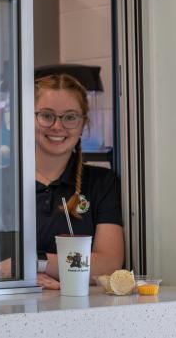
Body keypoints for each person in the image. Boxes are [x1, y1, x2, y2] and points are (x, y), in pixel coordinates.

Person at [27, 73, 124, 289]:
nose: (57, 126)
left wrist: (32, 265)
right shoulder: (1, 184)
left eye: (70, 117)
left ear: (83, 125)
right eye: (46, 115)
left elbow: (108, 264)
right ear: (27, 118)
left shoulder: (102, 184)